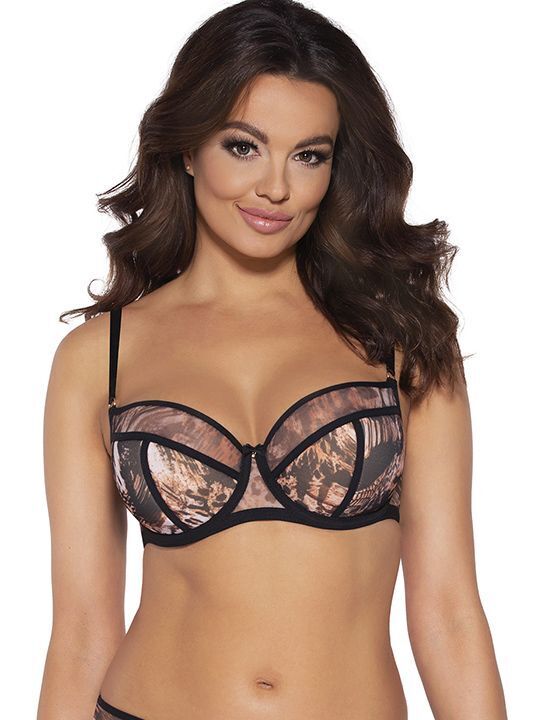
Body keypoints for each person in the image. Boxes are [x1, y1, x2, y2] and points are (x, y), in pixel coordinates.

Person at [37, 1, 508, 718]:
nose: (277, 188)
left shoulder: (402, 344)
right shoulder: (97, 357)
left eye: (309, 155)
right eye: (243, 147)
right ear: (187, 148)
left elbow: (448, 613)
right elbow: (80, 634)